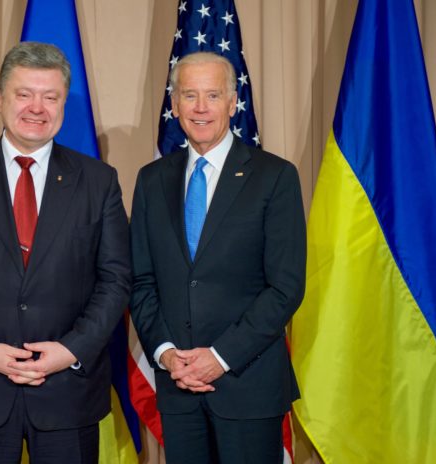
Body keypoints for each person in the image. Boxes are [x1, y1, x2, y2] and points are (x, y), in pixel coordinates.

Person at [0, 42, 131, 464]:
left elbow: (116, 279)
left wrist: (69, 351)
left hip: (68, 392)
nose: (37, 107)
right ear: (0, 99)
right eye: (24, 94)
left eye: (50, 96)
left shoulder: (99, 181)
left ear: (63, 103)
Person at [130, 51, 306, 463]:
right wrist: (167, 354)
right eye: (189, 95)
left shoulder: (274, 176)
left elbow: (285, 287)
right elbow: (141, 280)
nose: (201, 108)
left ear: (232, 102)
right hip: (178, 386)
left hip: (247, 384)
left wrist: (220, 357)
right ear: (173, 106)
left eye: (213, 95)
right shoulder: (151, 180)